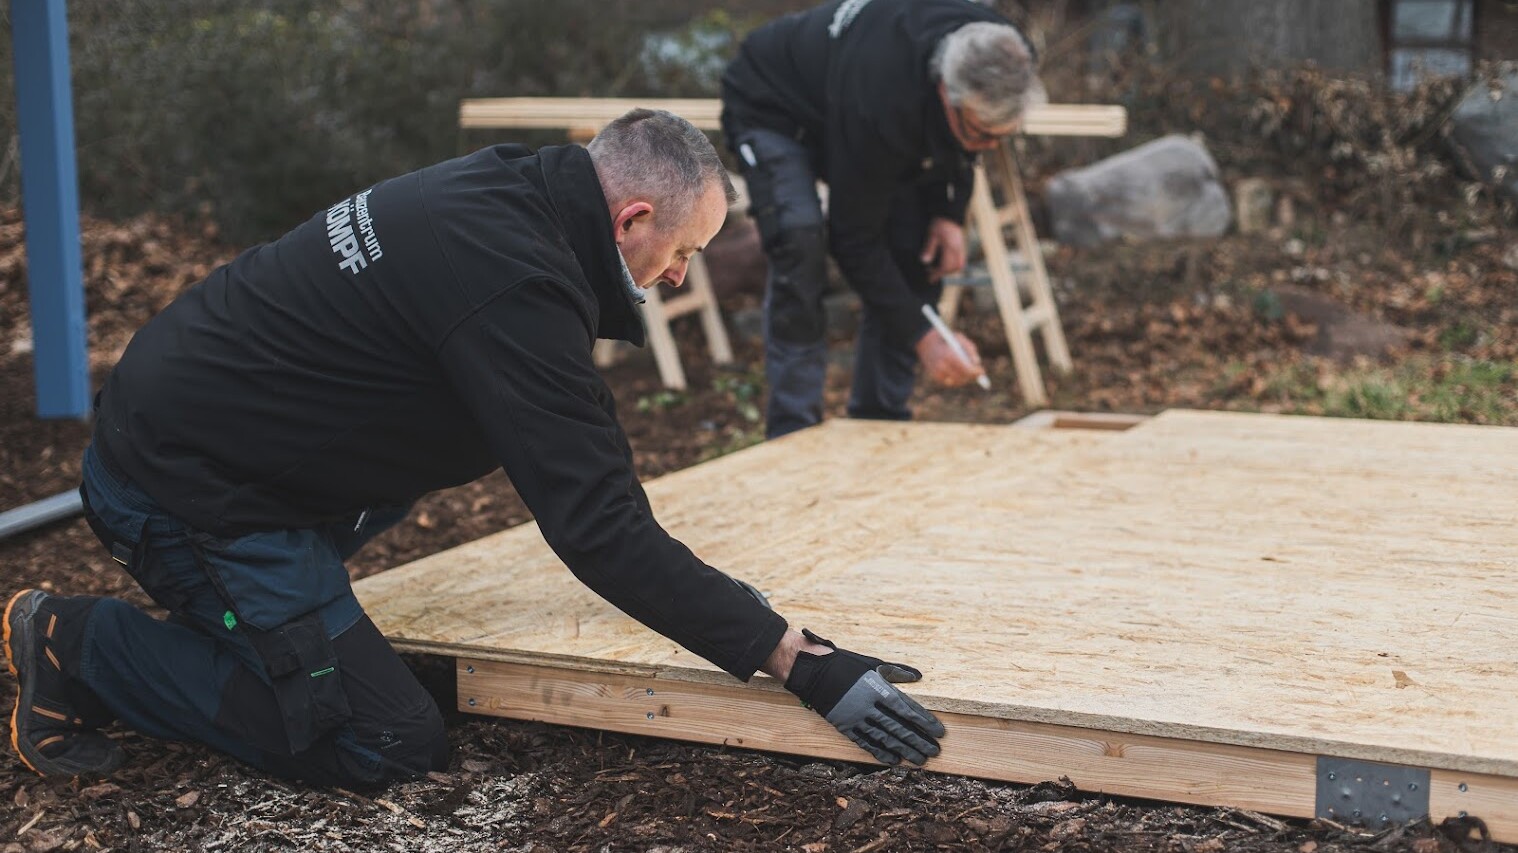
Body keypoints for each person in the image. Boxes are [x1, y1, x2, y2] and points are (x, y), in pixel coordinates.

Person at [4, 109, 944, 786]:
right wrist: (798, 659)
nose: (678, 275)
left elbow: (580, 446)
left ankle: (253, 631)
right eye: (684, 252)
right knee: (383, 737)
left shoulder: (511, 190)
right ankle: (77, 643)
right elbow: (601, 527)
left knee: (345, 583)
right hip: (194, 494)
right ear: (632, 221)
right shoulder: (513, 289)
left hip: (218, 437)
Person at [721, 0, 1046, 438]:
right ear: (944, 93)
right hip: (776, 104)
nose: (987, 146)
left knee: (918, 248)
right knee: (799, 240)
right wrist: (923, 337)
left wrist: (949, 213)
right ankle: (793, 433)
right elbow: (853, 239)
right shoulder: (882, 102)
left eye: (1000, 136)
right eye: (980, 133)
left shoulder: (1007, 52)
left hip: (855, 96)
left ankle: (880, 424)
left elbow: (960, 146)